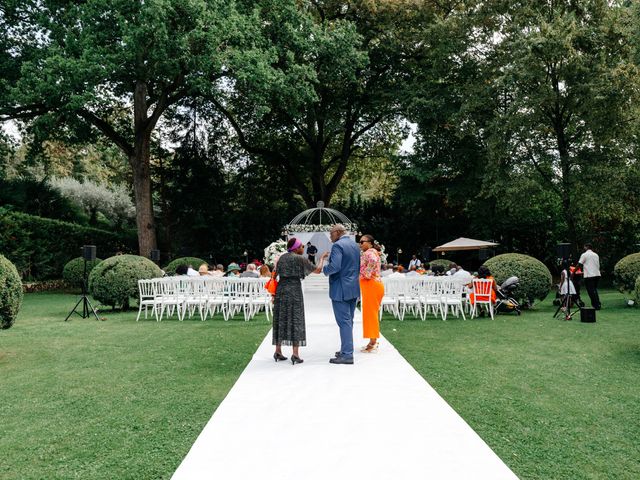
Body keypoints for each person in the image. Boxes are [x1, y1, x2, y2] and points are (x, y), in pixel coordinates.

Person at [272, 237, 325, 365]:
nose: (303, 248)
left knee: (281, 318)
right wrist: (322, 258)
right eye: (302, 246)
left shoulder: (282, 258)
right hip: (294, 290)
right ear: (296, 248)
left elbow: (275, 274)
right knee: (296, 319)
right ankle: (295, 354)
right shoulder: (299, 258)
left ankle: (278, 351)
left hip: (281, 289)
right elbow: (318, 270)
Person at [323, 224, 361, 365]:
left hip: (340, 288)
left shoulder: (338, 246)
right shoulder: (354, 245)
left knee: (344, 322)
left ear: (338, 232)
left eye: (331, 234)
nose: (330, 237)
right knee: (348, 321)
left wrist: (325, 269)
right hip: (353, 287)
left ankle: (347, 355)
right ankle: (346, 349)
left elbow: (335, 267)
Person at [359, 234, 384, 353]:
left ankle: (373, 342)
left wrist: (366, 274)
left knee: (370, 314)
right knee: (371, 313)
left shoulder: (369, 252)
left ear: (369, 242)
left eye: (362, 241)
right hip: (374, 285)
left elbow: (373, 261)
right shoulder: (373, 251)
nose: (360, 244)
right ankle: (372, 340)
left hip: (371, 285)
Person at [578, 243, 601, 310]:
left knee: (591, 291)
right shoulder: (596, 255)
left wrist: (573, 272)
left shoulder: (584, 255)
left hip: (589, 275)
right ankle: (597, 304)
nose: (583, 247)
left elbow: (579, 264)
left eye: (584, 246)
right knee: (594, 290)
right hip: (597, 274)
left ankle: (596, 305)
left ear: (587, 247)